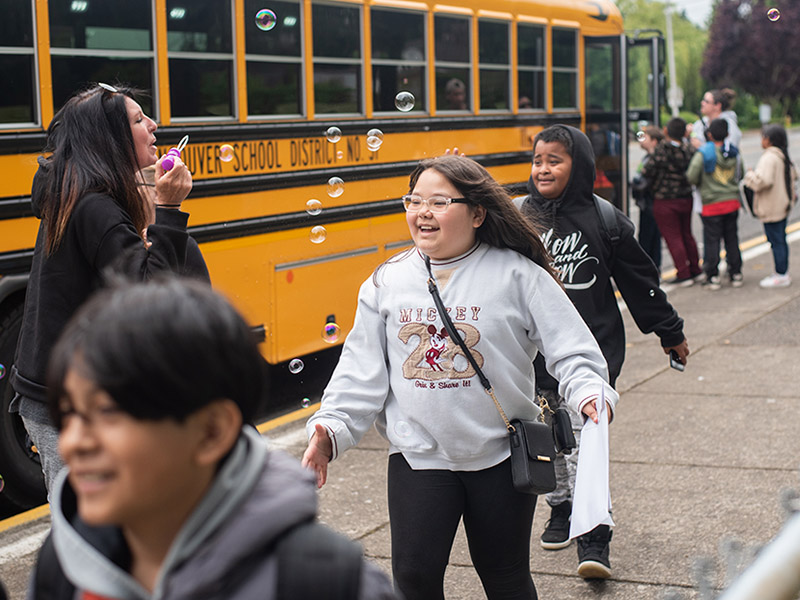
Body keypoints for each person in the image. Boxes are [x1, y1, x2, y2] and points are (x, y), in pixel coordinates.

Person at [302, 154, 618, 600]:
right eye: (414, 201)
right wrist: (329, 429)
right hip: (419, 457)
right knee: (413, 579)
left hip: (501, 456)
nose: (422, 212)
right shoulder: (386, 282)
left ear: (476, 213)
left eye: (438, 202)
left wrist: (589, 392)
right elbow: (360, 370)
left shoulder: (518, 275)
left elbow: (572, 350)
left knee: (504, 575)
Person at [28, 277, 397, 599]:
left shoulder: (325, 584)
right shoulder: (64, 564)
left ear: (212, 431)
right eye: (70, 413)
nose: (73, 442)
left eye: (107, 413)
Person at [8, 83, 207, 496]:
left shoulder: (77, 192)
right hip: (65, 405)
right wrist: (168, 211)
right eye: (138, 120)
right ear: (110, 139)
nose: (153, 125)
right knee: (89, 529)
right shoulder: (94, 205)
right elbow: (148, 296)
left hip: (68, 393)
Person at [518, 125, 688, 580]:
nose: (543, 168)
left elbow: (640, 283)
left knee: (586, 442)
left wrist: (668, 330)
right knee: (546, 441)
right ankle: (561, 506)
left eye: (555, 159)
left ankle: (593, 536)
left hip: (591, 354)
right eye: (537, 160)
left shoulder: (605, 220)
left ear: (581, 167)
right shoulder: (517, 217)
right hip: (531, 357)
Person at [642, 117, 703, 286]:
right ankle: (696, 270)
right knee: (687, 234)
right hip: (686, 198)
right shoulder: (689, 149)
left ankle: (683, 274)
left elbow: (648, 171)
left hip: (665, 199)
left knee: (673, 237)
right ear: (684, 132)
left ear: (666, 131)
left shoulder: (662, 150)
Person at [686, 118, 744, 290]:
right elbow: (739, 175)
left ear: (709, 134)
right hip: (732, 202)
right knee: (731, 238)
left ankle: (713, 275)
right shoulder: (734, 152)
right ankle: (736, 272)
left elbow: (691, 176)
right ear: (727, 134)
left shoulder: (704, 153)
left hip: (712, 204)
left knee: (712, 241)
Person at [743, 124, 798, 288]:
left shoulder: (769, 157)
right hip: (782, 205)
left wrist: (750, 174)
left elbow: (763, 181)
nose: (761, 140)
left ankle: (781, 274)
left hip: (772, 207)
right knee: (780, 239)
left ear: (769, 140)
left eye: (763, 137)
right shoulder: (782, 155)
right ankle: (782, 273)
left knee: (776, 241)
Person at [631, 126, 665, 271]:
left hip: (651, 202)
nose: (641, 140)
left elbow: (645, 180)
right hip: (647, 203)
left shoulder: (655, 159)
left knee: (650, 237)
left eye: (645, 137)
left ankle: (651, 269)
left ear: (654, 141)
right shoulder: (648, 157)